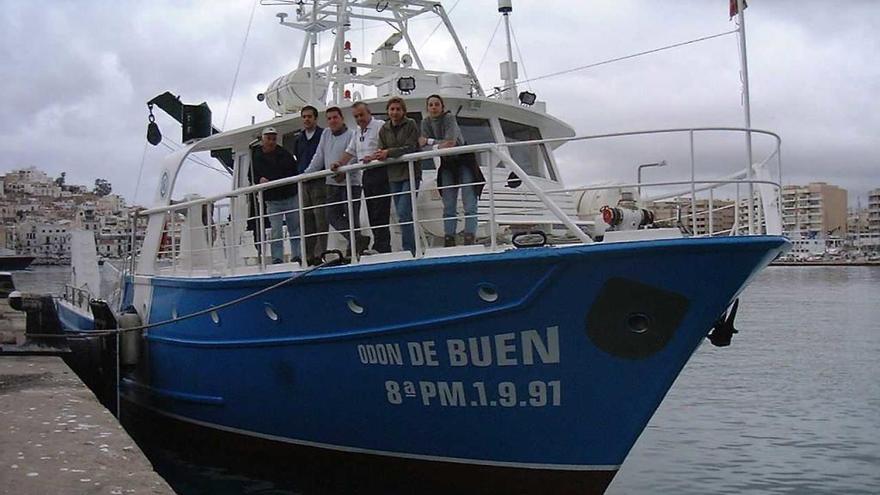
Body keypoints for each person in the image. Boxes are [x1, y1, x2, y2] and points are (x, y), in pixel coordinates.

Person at [303, 107, 370, 257]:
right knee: (331, 215)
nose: (332, 121)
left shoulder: (352, 134)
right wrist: (306, 174)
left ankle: (353, 251)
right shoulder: (326, 134)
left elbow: (354, 155)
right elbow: (319, 156)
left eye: (335, 118)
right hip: (331, 183)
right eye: (329, 118)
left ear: (342, 119)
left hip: (350, 184)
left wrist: (344, 171)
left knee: (352, 217)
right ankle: (358, 240)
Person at [419, 94, 485, 246]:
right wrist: (435, 145)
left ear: (442, 107)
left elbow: (450, 143)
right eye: (431, 105)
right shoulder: (425, 122)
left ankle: (469, 237)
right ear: (427, 108)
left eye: (437, 104)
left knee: (469, 203)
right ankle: (449, 239)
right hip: (447, 163)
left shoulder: (449, 118)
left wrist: (430, 142)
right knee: (448, 204)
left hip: (464, 161)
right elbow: (421, 146)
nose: (434, 107)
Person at [330, 102, 389, 253]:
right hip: (366, 174)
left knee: (380, 210)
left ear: (369, 113)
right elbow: (351, 152)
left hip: (380, 171)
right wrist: (339, 163)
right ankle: (378, 245)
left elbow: (387, 146)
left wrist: (374, 156)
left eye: (362, 115)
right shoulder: (357, 132)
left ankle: (383, 246)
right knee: (371, 210)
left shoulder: (380, 126)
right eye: (356, 116)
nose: (359, 118)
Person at [368, 97, 421, 254]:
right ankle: (411, 246)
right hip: (393, 175)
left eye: (398, 109)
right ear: (388, 111)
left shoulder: (411, 124)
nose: (395, 112)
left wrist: (388, 152)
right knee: (401, 213)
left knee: (404, 211)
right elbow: (381, 148)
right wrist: (375, 155)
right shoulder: (384, 129)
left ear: (403, 111)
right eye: (392, 109)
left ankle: (410, 249)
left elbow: (411, 147)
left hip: (410, 173)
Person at [251, 126, 300, 264]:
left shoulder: (285, 155)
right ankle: (277, 259)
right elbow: (252, 175)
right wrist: (259, 179)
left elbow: (293, 173)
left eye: (273, 139)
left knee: (295, 228)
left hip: (290, 196)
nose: (271, 142)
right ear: (263, 139)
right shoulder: (256, 156)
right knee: (276, 231)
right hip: (272, 200)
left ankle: (297, 255)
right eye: (268, 138)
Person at [291, 105, 327, 265]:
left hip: (320, 182)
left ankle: (320, 254)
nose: (306, 119)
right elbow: (298, 157)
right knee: (307, 220)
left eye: (309, 116)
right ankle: (309, 255)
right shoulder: (298, 139)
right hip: (304, 184)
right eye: (304, 116)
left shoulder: (322, 135)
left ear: (315, 118)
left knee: (320, 218)